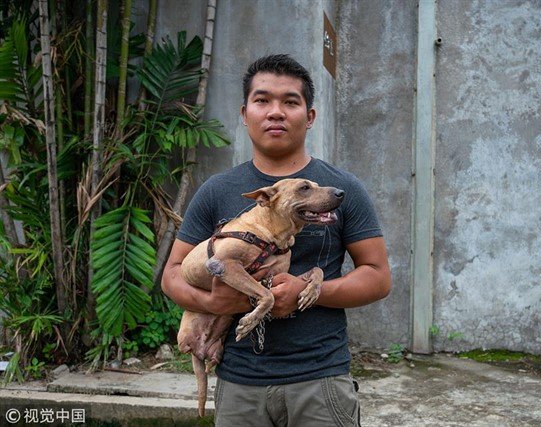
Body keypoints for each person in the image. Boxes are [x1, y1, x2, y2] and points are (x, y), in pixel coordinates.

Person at [161, 54, 391, 426]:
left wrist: (306, 291)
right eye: (263, 100)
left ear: (310, 116)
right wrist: (212, 299)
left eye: (290, 102)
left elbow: (378, 277)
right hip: (239, 384)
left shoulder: (340, 190)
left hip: (320, 381)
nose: (275, 112)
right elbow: (172, 274)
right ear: (245, 112)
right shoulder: (216, 191)